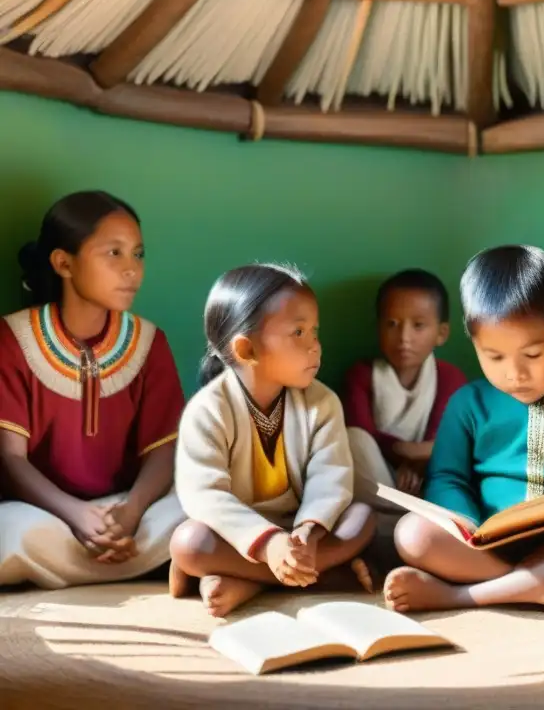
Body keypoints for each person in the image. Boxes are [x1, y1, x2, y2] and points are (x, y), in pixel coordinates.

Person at [383, 245, 544, 625]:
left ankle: (460, 596)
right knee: (411, 535)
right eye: (494, 357)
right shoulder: (468, 403)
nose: (514, 373)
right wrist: (467, 526)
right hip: (488, 547)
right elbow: (448, 476)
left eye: (531, 355)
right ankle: (542, 591)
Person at [0, 191, 185, 588]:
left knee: (195, 514)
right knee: (13, 530)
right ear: (63, 263)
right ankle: (125, 563)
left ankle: (81, 564)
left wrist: (132, 511)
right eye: (113, 253)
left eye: (138, 254)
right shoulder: (12, 339)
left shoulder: (150, 342)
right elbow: (10, 459)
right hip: (46, 513)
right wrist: (77, 516)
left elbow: (163, 450)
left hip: (127, 512)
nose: (132, 269)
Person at [169, 263, 375, 618]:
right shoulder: (208, 410)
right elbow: (204, 494)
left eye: (315, 331)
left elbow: (332, 478)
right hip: (236, 537)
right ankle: (321, 576)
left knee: (361, 518)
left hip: (302, 534)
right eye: (298, 332)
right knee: (189, 543)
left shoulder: (322, 402)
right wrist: (267, 544)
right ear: (247, 349)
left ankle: (249, 583)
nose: (315, 345)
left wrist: (307, 532)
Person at [344, 269, 466, 508]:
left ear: (441, 333)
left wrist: (416, 461)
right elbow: (364, 434)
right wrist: (404, 451)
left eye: (418, 325)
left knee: (459, 451)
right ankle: (409, 513)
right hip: (379, 475)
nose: (403, 337)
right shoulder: (361, 375)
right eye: (392, 324)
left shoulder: (450, 378)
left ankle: (402, 516)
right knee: (352, 439)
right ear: (378, 328)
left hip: (425, 476)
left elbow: (440, 439)